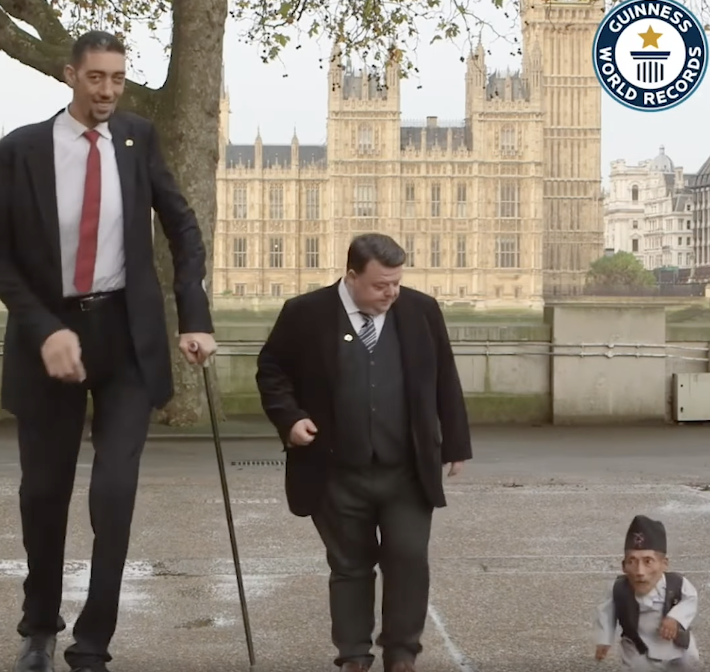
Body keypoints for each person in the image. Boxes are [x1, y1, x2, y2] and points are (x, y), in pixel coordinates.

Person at [0, 30, 217, 672]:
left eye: (118, 78)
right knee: (44, 493)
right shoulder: (21, 150)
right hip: (51, 341)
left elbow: (182, 226)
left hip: (126, 338)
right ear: (70, 75)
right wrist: (45, 328)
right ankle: (40, 625)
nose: (108, 91)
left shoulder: (137, 138)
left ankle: (93, 641)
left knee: (114, 493)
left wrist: (194, 315)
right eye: (96, 77)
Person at [255, 233, 472, 672]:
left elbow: (444, 376)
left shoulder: (421, 310)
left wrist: (455, 444)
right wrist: (290, 419)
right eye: (380, 285)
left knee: (408, 559)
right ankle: (354, 654)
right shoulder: (305, 313)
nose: (391, 293)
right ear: (351, 276)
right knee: (350, 565)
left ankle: (402, 653)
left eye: (396, 283)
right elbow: (271, 371)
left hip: (407, 469)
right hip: (335, 471)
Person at [594, 515, 700, 670]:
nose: (639, 572)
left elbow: (690, 600)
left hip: (674, 644)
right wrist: (604, 639)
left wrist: (675, 618)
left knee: (688, 663)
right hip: (638, 646)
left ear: (664, 564)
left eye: (648, 561)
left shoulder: (678, 583)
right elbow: (606, 613)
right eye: (632, 562)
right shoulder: (618, 588)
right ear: (623, 566)